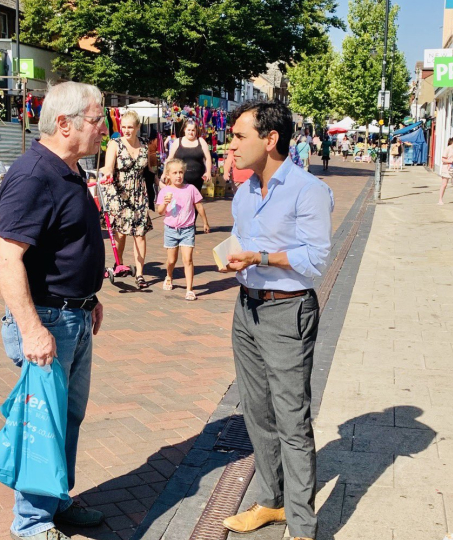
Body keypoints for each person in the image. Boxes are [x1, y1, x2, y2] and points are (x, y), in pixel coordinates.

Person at [0, 82, 107, 540]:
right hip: (48, 321)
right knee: (44, 421)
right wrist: (32, 329)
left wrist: (89, 296)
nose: (105, 129)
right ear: (65, 123)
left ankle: (57, 499)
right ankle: (32, 522)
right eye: (98, 120)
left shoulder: (68, 170)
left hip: (73, 316)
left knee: (68, 417)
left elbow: (65, 244)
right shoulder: (33, 174)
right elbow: (5, 257)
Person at [221, 101, 333, 540]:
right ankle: (272, 501)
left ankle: (303, 526)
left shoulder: (308, 190)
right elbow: (241, 241)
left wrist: (261, 257)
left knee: (291, 417)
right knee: (256, 411)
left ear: (270, 140)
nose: (231, 145)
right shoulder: (244, 192)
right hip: (246, 307)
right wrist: (235, 259)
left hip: (288, 311)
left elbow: (316, 259)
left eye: (238, 136)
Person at [101, 110, 152, 289]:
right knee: (121, 234)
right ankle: (119, 263)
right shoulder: (115, 144)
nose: (127, 130)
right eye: (124, 127)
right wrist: (106, 173)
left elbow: (151, 169)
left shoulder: (145, 145)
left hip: (139, 194)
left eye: (130, 127)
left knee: (140, 234)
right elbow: (108, 166)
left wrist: (162, 179)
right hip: (119, 193)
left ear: (138, 127)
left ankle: (140, 274)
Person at [155, 159, 210, 300]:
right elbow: (160, 211)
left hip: (187, 229)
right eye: (175, 173)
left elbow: (199, 206)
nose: (178, 175)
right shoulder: (165, 191)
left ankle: (190, 289)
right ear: (168, 175)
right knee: (171, 260)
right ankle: (169, 275)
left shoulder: (190, 189)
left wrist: (205, 222)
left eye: (181, 172)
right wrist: (165, 204)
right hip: (171, 229)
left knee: (188, 260)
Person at [169, 119, 212, 192]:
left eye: (193, 130)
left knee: (194, 200)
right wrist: (165, 173)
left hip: (198, 178)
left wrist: (208, 172)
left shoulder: (201, 141)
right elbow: (170, 158)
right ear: (184, 130)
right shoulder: (177, 142)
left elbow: (208, 158)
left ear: (196, 131)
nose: (191, 132)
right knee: (183, 199)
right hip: (181, 178)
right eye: (189, 130)